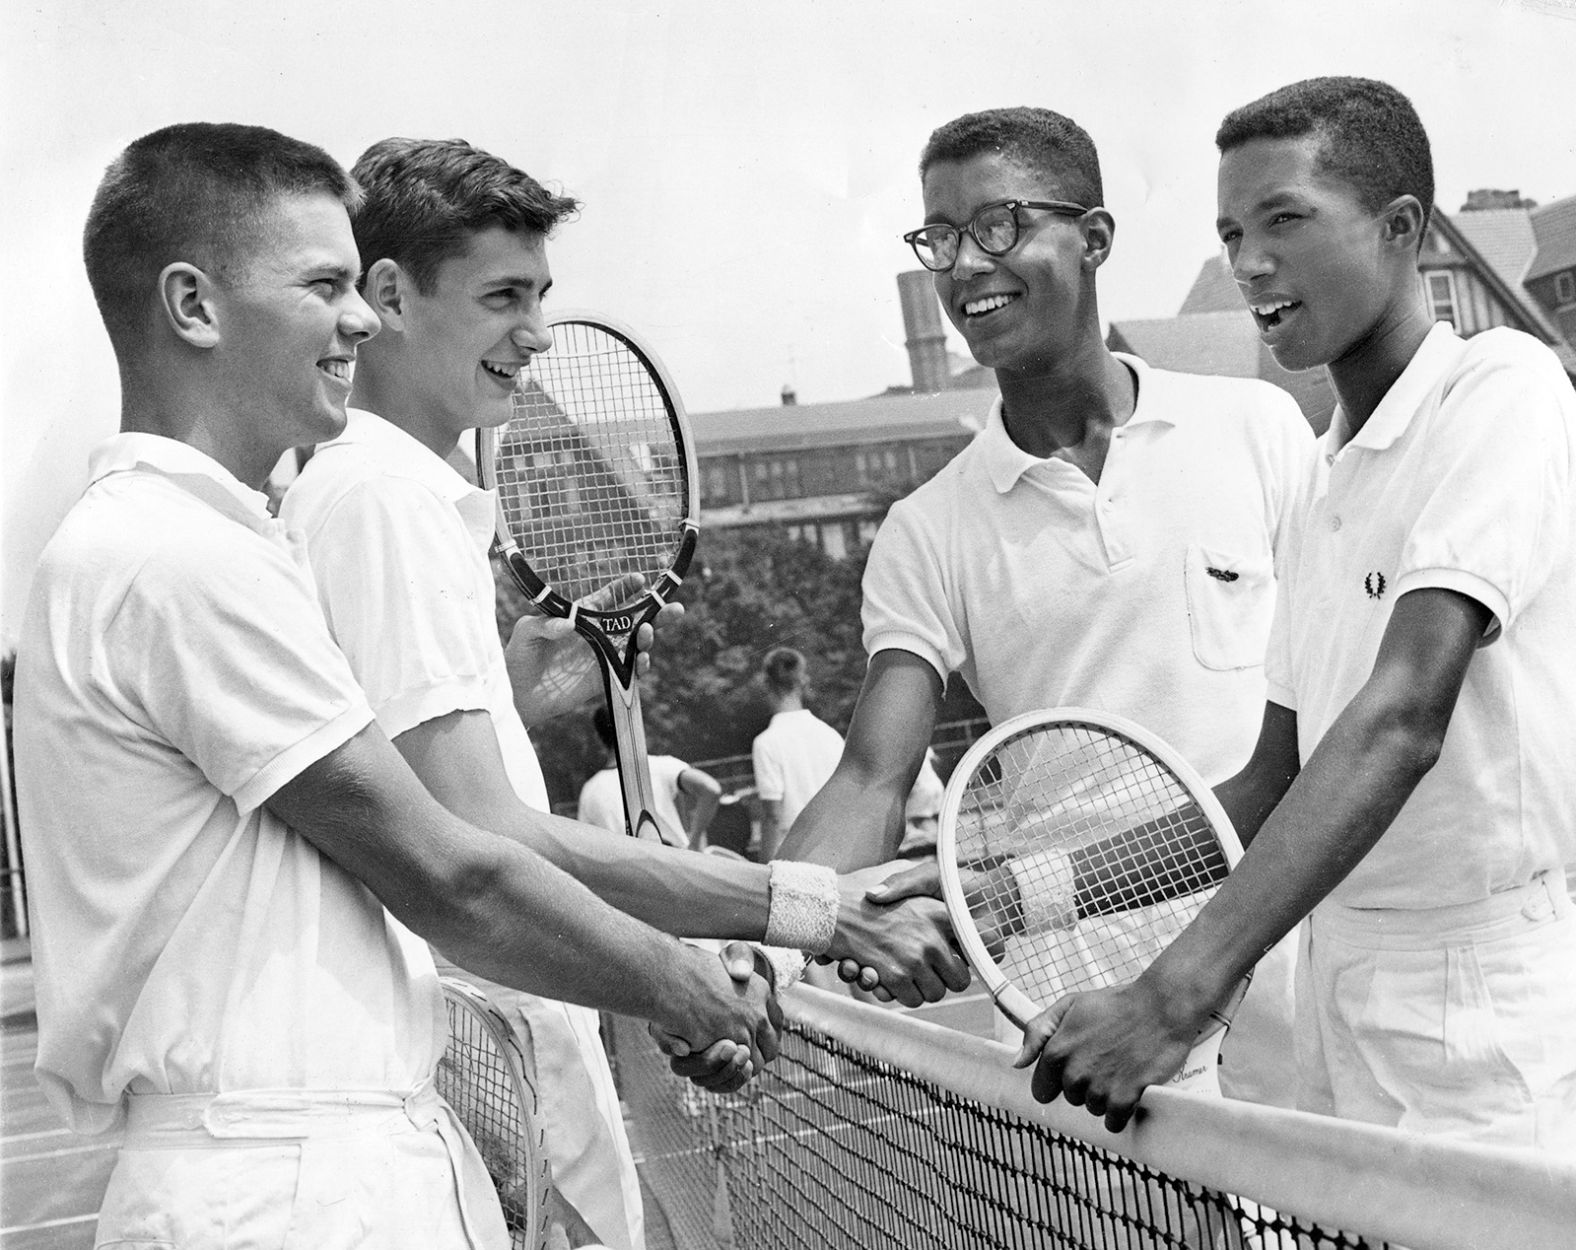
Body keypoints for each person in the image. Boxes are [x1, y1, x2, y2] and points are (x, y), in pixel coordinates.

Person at [11, 122, 784, 1250]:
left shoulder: (196, 542)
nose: (362, 318)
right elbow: (449, 872)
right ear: (193, 306)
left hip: (313, 1160)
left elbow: (343, 858)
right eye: (325, 284)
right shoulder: (183, 556)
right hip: (282, 1183)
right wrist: (693, 973)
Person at [278, 136, 970, 1248]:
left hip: (495, 1060)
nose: (537, 334)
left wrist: (519, 707)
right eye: (504, 296)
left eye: (543, 297)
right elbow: (482, 847)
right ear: (391, 296)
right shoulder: (381, 501)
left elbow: (449, 809)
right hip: (480, 1077)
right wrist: (800, 907)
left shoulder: (384, 497)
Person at [1021, 78, 1576, 1155]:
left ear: (1401, 228)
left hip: (1491, 1011)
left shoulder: (1505, 386)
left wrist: (1173, 993)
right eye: (1232, 231)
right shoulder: (1321, 481)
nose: (1247, 263)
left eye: (1284, 219)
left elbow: (1403, 716)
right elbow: (1265, 783)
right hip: (1332, 1002)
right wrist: (1018, 894)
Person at [778, 107, 1310, 1108]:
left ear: (1095, 237)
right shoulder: (925, 529)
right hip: (1090, 1018)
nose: (963, 265)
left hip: (1294, 969)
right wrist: (775, 931)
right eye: (939, 236)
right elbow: (871, 775)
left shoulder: (1258, 425)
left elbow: (1326, 733)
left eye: (998, 225)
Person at [578, 705, 721, 848]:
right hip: (676, 862)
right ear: (635, 725)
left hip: (627, 868)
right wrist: (695, 843)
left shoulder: (589, 790)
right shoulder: (660, 766)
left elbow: (586, 847)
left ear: (598, 737)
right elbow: (711, 788)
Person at [751, 647, 845, 862]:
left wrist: (764, 867)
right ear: (802, 682)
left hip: (793, 857)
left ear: (767, 685)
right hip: (835, 851)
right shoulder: (831, 735)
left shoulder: (766, 742)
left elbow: (773, 815)